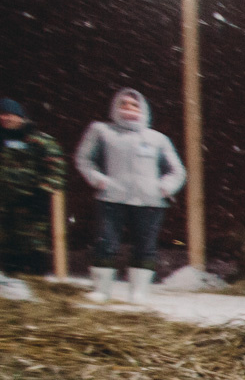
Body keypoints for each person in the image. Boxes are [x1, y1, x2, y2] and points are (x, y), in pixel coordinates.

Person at [73, 89, 187, 304]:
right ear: (115, 107)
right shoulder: (102, 131)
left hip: (150, 201)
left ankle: (139, 292)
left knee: (145, 245)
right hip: (112, 197)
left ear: (143, 108)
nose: (128, 109)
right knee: (106, 243)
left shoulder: (157, 139)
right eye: (123, 104)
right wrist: (98, 179)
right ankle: (101, 290)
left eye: (134, 105)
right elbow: (83, 158)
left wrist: (164, 187)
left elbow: (177, 171)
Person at [0, 99, 66, 279]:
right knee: (7, 251)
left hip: (31, 209)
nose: (5, 118)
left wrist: (42, 193)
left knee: (33, 248)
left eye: (10, 114)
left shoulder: (40, 141)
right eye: (2, 114)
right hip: (4, 209)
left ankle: (37, 285)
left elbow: (56, 171)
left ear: (20, 116)